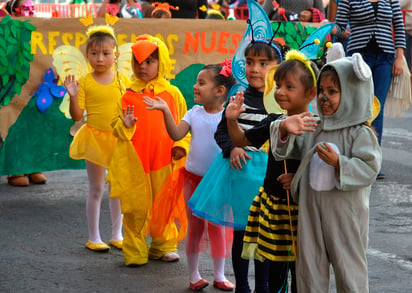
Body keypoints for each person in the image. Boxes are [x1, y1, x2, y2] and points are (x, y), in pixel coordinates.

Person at [271, 54, 382, 292]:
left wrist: (339, 163)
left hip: (346, 215)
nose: (323, 97)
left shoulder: (360, 133)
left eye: (332, 91)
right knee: (309, 267)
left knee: (349, 268)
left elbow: (370, 169)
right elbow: (288, 151)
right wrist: (284, 128)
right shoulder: (314, 125)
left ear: (353, 92)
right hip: (311, 211)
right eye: (321, 89)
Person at [189, 39, 285, 293]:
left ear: (278, 67)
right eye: (250, 62)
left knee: (265, 234)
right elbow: (222, 131)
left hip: (269, 176)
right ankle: (242, 285)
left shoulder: (280, 100)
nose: (255, 69)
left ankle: (263, 286)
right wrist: (232, 147)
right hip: (240, 174)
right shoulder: (237, 96)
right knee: (242, 235)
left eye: (264, 63)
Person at [224, 50, 318, 293]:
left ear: (310, 93)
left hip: (302, 212)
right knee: (274, 272)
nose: (280, 92)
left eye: (289, 86)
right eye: (277, 85)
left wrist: (297, 178)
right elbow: (242, 139)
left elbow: (322, 167)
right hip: (274, 209)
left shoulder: (317, 127)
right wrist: (232, 120)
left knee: (301, 271)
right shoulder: (274, 120)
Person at [143, 62, 237, 291]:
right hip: (193, 180)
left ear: (219, 91)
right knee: (194, 228)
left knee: (218, 228)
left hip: (217, 182)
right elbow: (176, 133)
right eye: (196, 82)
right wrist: (165, 110)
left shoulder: (228, 115)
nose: (195, 86)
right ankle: (194, 276)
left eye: (201, 83)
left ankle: (219, 274)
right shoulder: (194, 114)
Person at [106, 34, 190, 266]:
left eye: (149, 62)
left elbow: (185, 124)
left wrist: (181, 147)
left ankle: (163, 246)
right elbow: (115, 127)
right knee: (134, 207)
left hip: (163, 159)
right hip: (135, 162)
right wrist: (125, 125)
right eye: (138, 62)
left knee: (164, 203)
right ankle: (135, 250)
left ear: (160, 62)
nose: (143, 67)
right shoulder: (127, 95)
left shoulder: (172, 94)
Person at [63, 25, 128, 252]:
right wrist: (72, 96)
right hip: (94, 140)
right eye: (94, 53)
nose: (99, 59)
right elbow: (77, 116)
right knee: (96, 188)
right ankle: (94, 237)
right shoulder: (85, 82)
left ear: (115, 55)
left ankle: (117, 234)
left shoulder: (122, 81)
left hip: (118, 139)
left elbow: (127, 110)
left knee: (117, 188)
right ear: (87, 55)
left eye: (105, 53)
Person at [334, 0, 406, 179]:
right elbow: (340, 27)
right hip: (358, 58)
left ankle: (373, 160)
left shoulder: (391, 0)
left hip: (385, 58)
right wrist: (337, 31)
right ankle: (352, 156)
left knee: (376, 107)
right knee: (357, 105)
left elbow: (398, 25)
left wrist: (399, 57)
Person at [3, 0, 46, 187]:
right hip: (10, 84)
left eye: (31, 9)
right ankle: (15, 169)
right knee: (12, 122)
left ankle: (32, 165)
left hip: (33, 85)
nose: (29, 13)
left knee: (33, 123)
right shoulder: (4, 22)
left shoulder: (40, 30)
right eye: (24, 9)